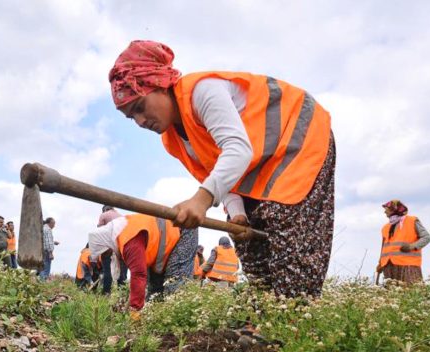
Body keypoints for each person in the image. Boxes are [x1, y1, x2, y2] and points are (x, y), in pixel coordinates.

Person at [109, 40, 335, 298]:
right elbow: (218, 173)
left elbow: (237, 150)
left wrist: (201, 200)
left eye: (140, 107)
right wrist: (237, 213)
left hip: (300, 135)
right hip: (260, 163)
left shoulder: (203, 91)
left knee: (284, 225)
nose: (139, 121)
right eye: (131, 117)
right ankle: (267, 317)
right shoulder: (173, 140)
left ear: (160, 85)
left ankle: (293, 321)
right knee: (246, 238)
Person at [88, 213, 197, 321]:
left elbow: (139, 275)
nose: (107, 256)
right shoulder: (121, 234)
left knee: (175, 287)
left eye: (105, 253)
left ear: (107, 244)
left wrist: (134, 310)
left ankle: (178, 326)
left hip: (184, 229)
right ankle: (157, 324)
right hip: (162, 245)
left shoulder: (128, 240)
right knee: (155, 292)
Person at [377, 200, 430, 285]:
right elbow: (383, 247)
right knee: (392, 295)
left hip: (408, 265)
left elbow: (426, 237)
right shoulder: (385, 227)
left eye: (387, 209)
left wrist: (412, 246)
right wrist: (380, 263)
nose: (384, 211)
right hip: (388, 265)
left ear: (394, 209)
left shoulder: (412, 221)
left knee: (411, 292)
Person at [97, 205, 127, 293]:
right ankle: (122, 292)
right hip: (122, 246)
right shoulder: (122, 217)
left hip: (108, 246)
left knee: (107, 270)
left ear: (104, 210)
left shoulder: (104, 215)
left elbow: (100, 231)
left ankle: (106, 292)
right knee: (122, 271)